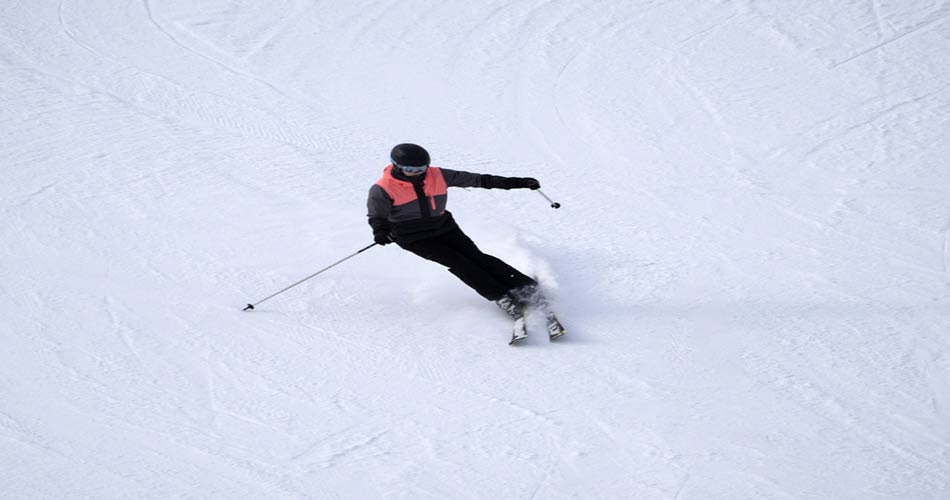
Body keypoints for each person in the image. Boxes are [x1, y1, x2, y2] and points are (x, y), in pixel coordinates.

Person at [367, 143, 543, 317]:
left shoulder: (438, 175)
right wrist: (380, 231)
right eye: (411, 169)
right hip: (413, 237)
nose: (418, 173)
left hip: (444, 227)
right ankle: (501, 296)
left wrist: (518, 183)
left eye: (422, 168)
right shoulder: (383, 188)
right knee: (460, 263)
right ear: (397, 166)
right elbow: (377, 216)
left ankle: (524, 287)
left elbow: (480, 180)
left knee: (476, 257)